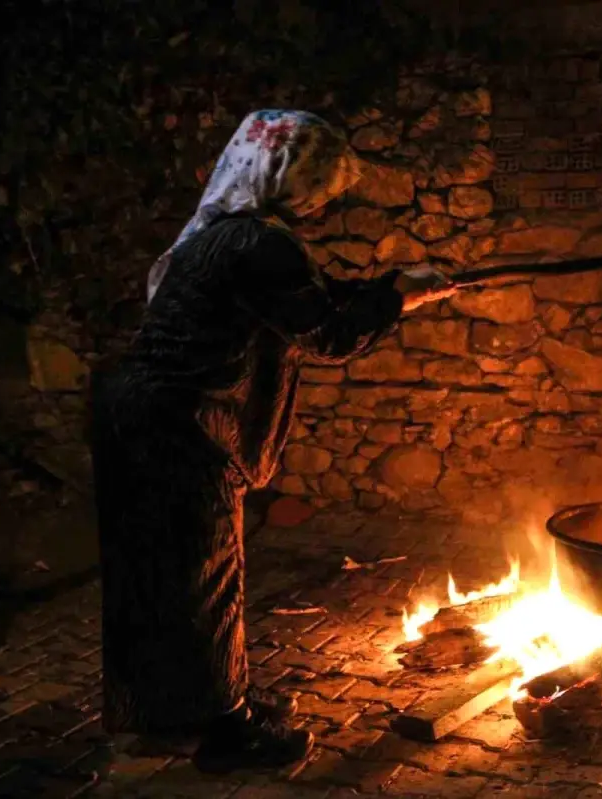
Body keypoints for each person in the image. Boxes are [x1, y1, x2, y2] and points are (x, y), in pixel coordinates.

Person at [89, 110, 455, 772]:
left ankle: (165, 714)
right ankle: (229, 734)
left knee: (155, 576)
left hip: (133, 414)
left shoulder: (223, 235)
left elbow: (307, 300)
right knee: (206, 572)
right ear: (286, 175)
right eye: (318, 185)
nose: (321, 201)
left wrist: (396, 290)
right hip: (182, 423)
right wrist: (395, 302)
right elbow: (327, 333)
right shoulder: (262, 242)